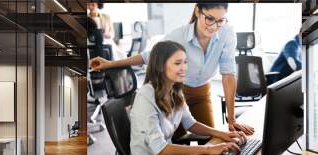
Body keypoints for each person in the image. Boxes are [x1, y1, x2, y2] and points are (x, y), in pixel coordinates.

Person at [89, 3, 255, 137]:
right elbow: (149, 56)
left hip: (202, 93)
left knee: (211, 140)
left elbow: (228, 74)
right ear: (198, 11)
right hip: (174, 95)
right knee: (174, 148)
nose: (214, 26)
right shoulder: (179, 35)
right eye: (209, 18)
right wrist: (110, 64)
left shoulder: (227, 32)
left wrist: (231, 119)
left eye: (220, 20)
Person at [130, 41, 247, 155]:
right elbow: (160, 149)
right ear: (161, 66)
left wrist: (222, 134)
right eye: (177, 63)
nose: (184, 68)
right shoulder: (145, 96)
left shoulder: (175, 90)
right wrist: (207, 149)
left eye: (185, 62)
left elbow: (190, 124)